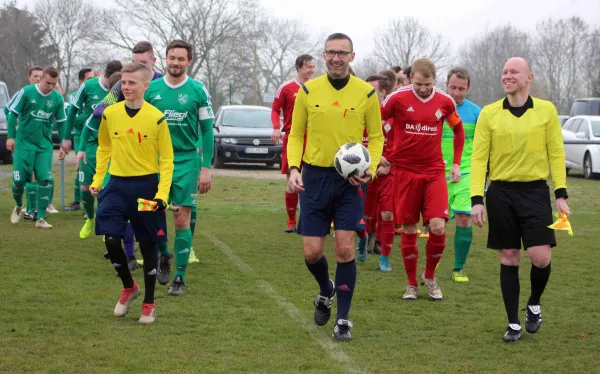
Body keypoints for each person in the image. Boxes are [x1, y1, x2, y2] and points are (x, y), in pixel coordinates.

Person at [287, 33, 384, 341]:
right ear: (324, 55)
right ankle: (326, 289)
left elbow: (378, 138)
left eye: (343, 53)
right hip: (314, 178)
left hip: (350, 181)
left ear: (352, 56)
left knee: (344, 249)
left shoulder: (366, 94)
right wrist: (293, 168)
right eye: (331, 52)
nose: (337, 58)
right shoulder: (307, 90)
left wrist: (370, 169)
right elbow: (295, 134)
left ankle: (343, 319)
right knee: (312, 252)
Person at [470, 57, 569, 342]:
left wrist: (560, 194)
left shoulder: (546, 111)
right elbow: (479, 159)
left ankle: (534, 303)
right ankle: (513, 323)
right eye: (504, 71)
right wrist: (477, 198)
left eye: (514, 71)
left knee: (540, 258)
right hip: (500, 193)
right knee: (509, 257)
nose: (507, 75)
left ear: (529, 77)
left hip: (535, 192)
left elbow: (557, 153)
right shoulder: (489, 113)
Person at [90, 61, 174, 325]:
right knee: (111, 240)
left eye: (131, 83)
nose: (126, 87)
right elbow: (104, 148)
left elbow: (167, 160)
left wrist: (162, 194)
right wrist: (98, 178)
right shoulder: (109, 114)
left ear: (145, 86)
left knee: (148, 246)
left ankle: (149, 303)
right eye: (123, 83)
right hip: (115, 185)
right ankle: (129, 286)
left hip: (147, 188)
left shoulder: (157, 118)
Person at [382, 58, 465, 301]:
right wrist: (381, 155)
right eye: (418, 83)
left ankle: (429, 276)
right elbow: (377, 123)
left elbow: (458, 130)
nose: (422, 88)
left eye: (427, 84)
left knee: (438, 227)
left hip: (433, 171)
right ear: (410, 78)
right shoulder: (396, 99)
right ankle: (411, 284)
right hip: (404, 172)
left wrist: (457, 163)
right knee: (409, 228)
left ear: (434, 80)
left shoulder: (445, 101)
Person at [145, 40, 215, 295]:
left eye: (181, 59)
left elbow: (207, 130)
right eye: (172, 57)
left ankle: (179, 278)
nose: (175, 62)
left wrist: (205, 167)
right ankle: (165, 252)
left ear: (189, 61)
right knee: (151, 214)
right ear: (165, 58)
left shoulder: (198, 90)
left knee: (180, 216)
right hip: (154, 161)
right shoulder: (150, 89)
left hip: (186, 160)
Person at [67, 61, 123, 239]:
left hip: (111, 147)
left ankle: (108, 228)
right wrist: (72, 142)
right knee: (85, 186)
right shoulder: (90, 88)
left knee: (107, 188)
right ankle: (90, 218)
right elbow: (85, 123)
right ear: (107, 77)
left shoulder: (124, 95)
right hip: (90, 145)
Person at [6, 66, 67, 229]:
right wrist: (11, 136)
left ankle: (40, 218)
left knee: (44, 181)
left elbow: (61, 123)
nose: (51, 87)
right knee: (18, 181)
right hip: (23, 144)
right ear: (41, 79)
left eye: (54, 84)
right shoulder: (26, 92)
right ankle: (19, 205)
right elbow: (11, 114)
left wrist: (63, 143)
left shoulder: (57, 98)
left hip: (44, 146)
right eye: (48, 83)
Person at [442, 67, 482, 283]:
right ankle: (432, 266)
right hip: (438, 172)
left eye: (461, 89)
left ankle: (459, 268)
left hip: (466, 172)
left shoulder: (477, 113)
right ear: (446, 85)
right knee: (436, 223)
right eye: (453, 87)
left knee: (464, 218)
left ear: (468, 88)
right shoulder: (436, 109)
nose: (456, 93)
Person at [271, 54, 315, 233]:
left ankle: (310, 219)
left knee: (312, 180)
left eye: (313, 67)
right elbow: (275, 109)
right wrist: (276, 128)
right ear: (299, 67)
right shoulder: (286, 88)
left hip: (313, 139)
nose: (311, 70)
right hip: (293, 138)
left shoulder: (317, 87)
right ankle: (291, 221)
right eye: (308, 67)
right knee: (292, 180)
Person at [363, 73, 395, 271]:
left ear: (383, 92)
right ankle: (364, 240)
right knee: (364, 215)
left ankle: (384, 255)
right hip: (366, 171)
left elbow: (401, 144)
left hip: (387, 172)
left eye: (372, 91)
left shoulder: (394, 116)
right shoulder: (359, 114)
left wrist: (389, 164)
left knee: (388, 214)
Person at [64, 68, 95, 212]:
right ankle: (77, 201)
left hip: (94, 136)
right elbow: (74, 119)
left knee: (92, 168)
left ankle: (90, 205)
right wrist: (90, 117)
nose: (92, 81)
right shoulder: (75, 96)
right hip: (79, 135)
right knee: (81, 166)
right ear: (81, 81)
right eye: (89, 79)